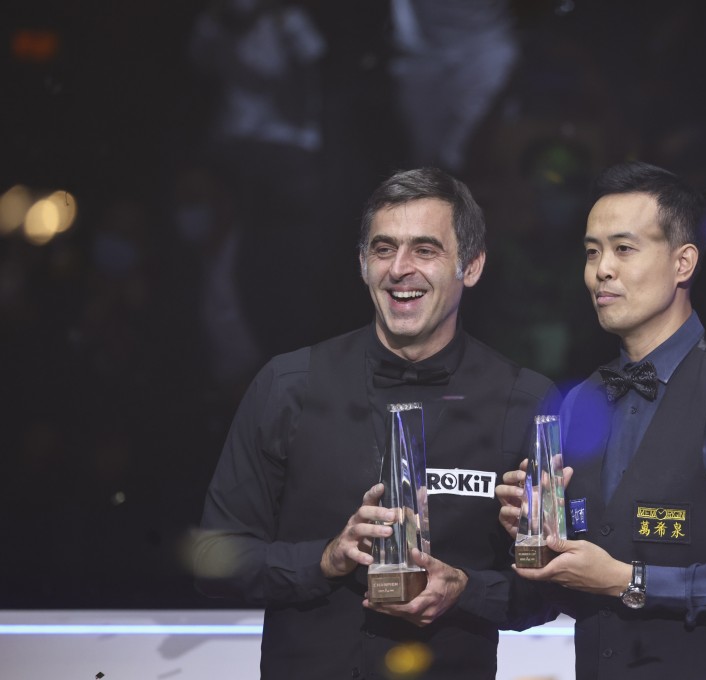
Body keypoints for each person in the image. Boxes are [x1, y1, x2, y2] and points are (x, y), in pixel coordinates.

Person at [193, 167, 556, 680]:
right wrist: (325, 561)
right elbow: (213, 557)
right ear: (362, 264)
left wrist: (467, 590)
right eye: (384, 249)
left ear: (471, 267)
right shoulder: (288, 384)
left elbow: (549, 593)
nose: (399, 269)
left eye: (425, 250)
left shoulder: (524, 401)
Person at [497, 161, 706, 679]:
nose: (602, 269)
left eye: (624, 249)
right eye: (592, 251)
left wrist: (627, 579)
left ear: (682, 262)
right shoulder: (580, 402)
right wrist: (535, 539)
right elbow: (569, 596)